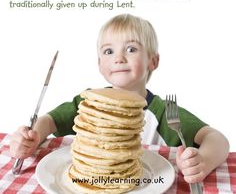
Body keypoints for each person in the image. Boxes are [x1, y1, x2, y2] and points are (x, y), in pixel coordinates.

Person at [10, 13, 229, 184]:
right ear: (99, 64)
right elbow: (49, 121)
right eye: (108, 51)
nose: (119, 58)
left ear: (153, 61)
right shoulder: (88, 103)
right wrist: (32, 137)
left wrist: (203, 161)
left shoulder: (164, 111)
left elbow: (216, 139)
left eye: (131, 48)